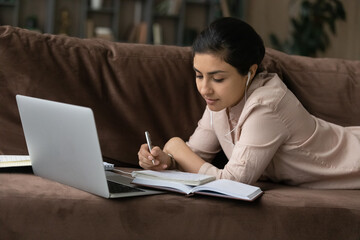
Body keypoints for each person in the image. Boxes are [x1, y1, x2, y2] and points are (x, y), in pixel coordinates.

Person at [137, 17, 360, 189]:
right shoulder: (219, 99)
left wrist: (176, 145)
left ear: (250, 72)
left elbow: (233, 181)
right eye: (198, 75)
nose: (205, 88)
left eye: (218, 78)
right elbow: (196, 156)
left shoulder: (267, 104)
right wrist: (165, 160)